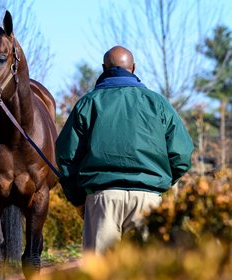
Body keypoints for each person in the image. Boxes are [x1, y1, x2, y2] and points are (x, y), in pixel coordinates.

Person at [55, 45, 194, 254]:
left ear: (103, 68)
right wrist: (159, 184)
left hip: (102, 199)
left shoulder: (88, 103)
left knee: (101, 279)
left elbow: (66, 156)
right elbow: (182, 154)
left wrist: (78, 199)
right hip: (148, 199)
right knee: (144, 276)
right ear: (134, 68)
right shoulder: (157, 103)